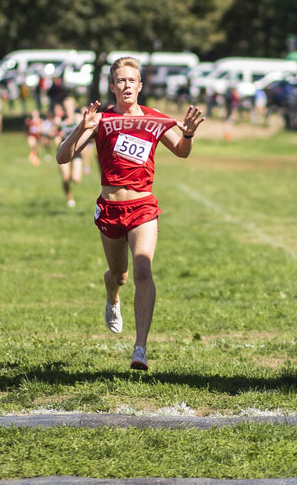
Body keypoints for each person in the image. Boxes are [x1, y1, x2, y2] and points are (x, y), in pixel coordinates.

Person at [55, 56, 205, 372]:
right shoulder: (103, 120)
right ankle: (113, 297)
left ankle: (140, 349)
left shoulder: (154, 119)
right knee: (119, 275)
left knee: (142, 270)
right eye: (120, 80)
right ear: (112, 86)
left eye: (131, 80)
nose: (126, 85)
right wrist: (82, 127)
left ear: (139, 86)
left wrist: (188, 135)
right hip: (110, 208)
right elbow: (62, 156)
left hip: (142, 207)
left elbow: (181, 151)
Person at [56, 98, 83, 208]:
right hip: (63, 151)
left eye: (69, 107)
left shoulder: (78, 118)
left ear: (74, 107)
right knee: (66, 177)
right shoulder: (60, 120)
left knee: (76, 179)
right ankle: (70, 198)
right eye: (65, 107)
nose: (67, 109)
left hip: (76, 151)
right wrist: (57, 133)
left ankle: (72, 177)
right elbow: (53, 133)